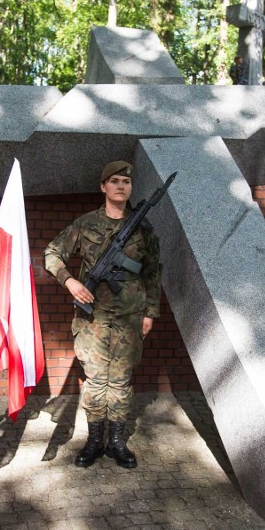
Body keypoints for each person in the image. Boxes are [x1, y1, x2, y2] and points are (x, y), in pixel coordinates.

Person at [44, 160, 162, 469]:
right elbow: (52, 253)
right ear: (103, 187)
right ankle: (95, 441)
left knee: (121, 381)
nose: (121, 186)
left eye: (126, 181)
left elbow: (152, 273)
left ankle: (117, 442)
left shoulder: (143, 229)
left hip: (130, 316)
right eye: (115, 181)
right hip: (92, 317)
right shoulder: (85, 224)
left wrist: (150, 311)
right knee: (96, 381)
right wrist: (70, 282)